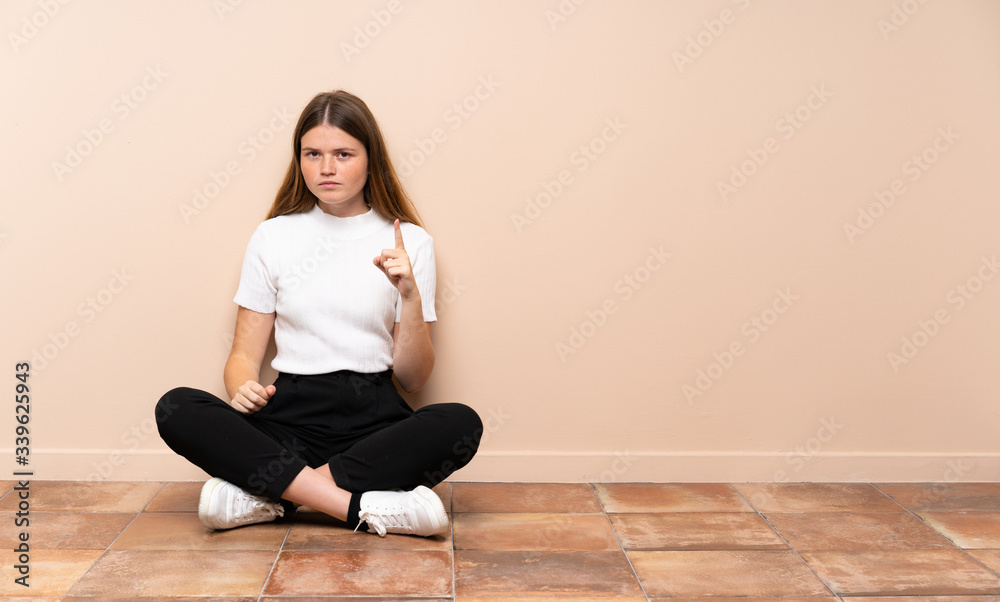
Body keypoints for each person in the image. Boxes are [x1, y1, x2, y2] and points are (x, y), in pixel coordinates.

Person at [155, 90, 483, 537]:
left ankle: (268, 498)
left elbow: (414, 379)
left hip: (374, 420)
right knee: (176, 407)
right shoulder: (273, 237)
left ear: (370, 160)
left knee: (460, 422)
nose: (326, 168)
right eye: (313, 154)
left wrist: (409, 296)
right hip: (289, 416)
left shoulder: (411, 243)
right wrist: (242, 387)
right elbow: (242, 357)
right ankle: (361, 510)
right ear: (300, 159)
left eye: (343, 154)